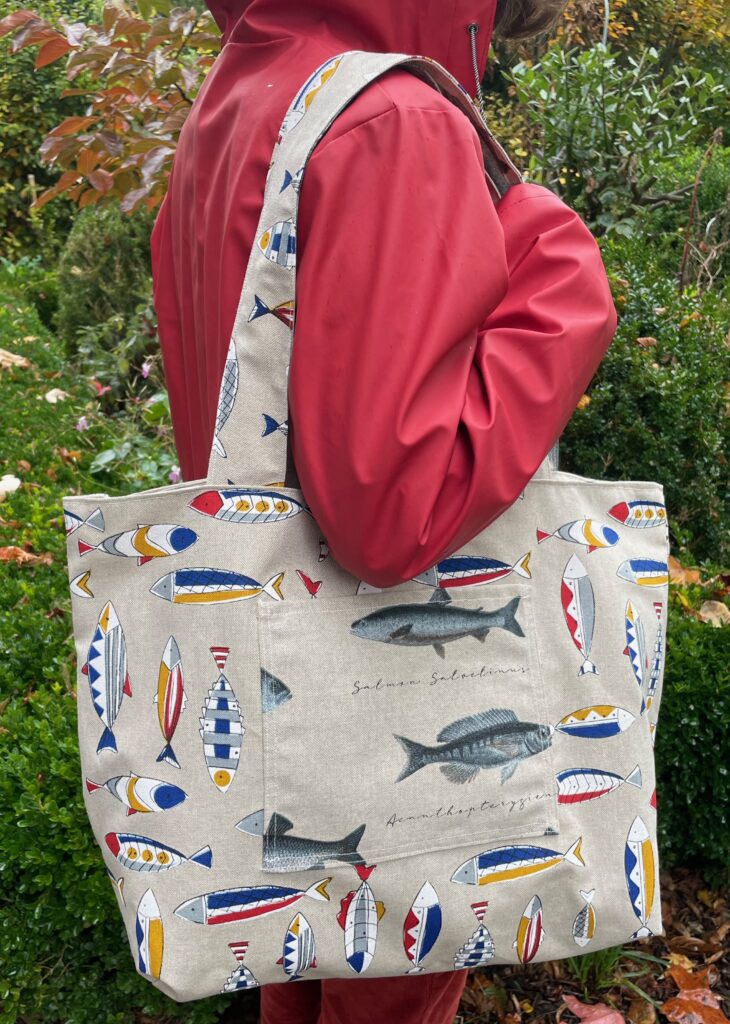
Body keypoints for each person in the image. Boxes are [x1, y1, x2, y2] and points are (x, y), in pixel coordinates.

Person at [150, 0, 618, 1020]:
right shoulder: (394, 120)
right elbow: (396, 512)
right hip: (386, 705)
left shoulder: (247, 92)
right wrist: (557, 273)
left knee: (295, 970)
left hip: (270, 673)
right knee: (385, 986)